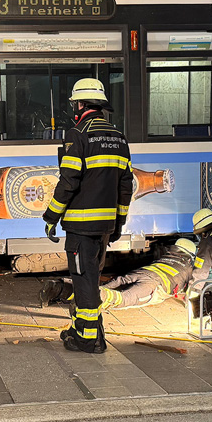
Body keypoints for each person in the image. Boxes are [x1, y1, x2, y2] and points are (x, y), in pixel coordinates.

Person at [42, 78, 134, 353]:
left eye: (75, 104)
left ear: (80, 104)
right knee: (91, 278)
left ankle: (86, 339)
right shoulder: (118, 137)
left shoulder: (78, 133)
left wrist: (51, 216)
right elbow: (125, 185)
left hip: (82, 227)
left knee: (83, 281)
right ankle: (88, 331)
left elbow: (69, 180)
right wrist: (119, 222)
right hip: (105, 226)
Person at [40, 238, 197, 311]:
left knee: (105, 287)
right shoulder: (190, 266)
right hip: (154, 286)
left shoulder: (168, 256)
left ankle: (61, 287)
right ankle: (86, 302)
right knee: (121, 299)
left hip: (142, 273)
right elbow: (194, 289)